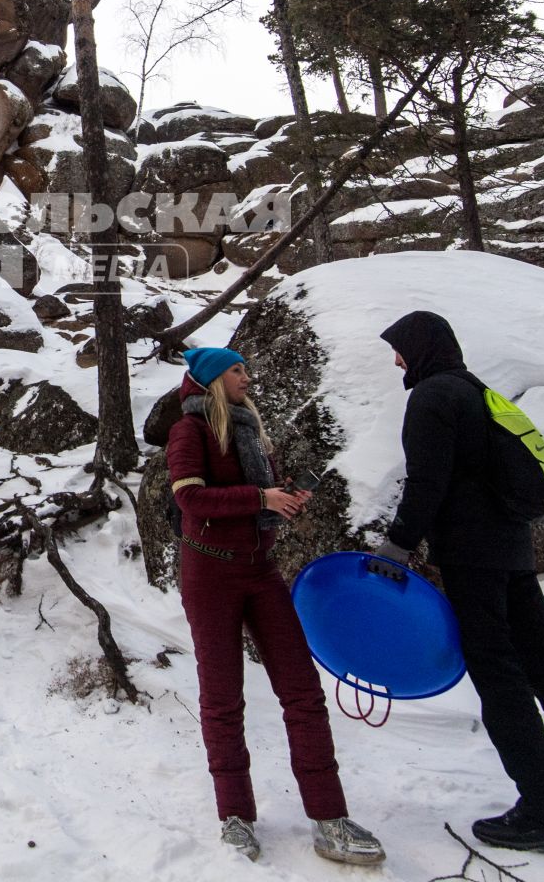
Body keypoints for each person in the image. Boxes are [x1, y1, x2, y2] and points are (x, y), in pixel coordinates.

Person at [373, 311, 544, 858]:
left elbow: (429, 480)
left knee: (500, 678)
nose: (397, 361)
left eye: (399, 350)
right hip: (514, 549)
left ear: (420, 349)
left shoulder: (430, 398)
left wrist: (398, 545)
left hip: (473, 557)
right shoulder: (478, 391)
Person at [168, 346, 386, 868]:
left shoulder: (248, 429)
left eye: (245, 368)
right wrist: (260, 499)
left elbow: (255, 494)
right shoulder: (189, 431)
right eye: (237, 370)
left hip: (260, 569)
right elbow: (190, 499)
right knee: (223, 697)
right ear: (214, 379)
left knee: (302, 690)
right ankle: (235, 815)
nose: (247, 377)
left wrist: (280, 496)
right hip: (210, 572)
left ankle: (329, 817)